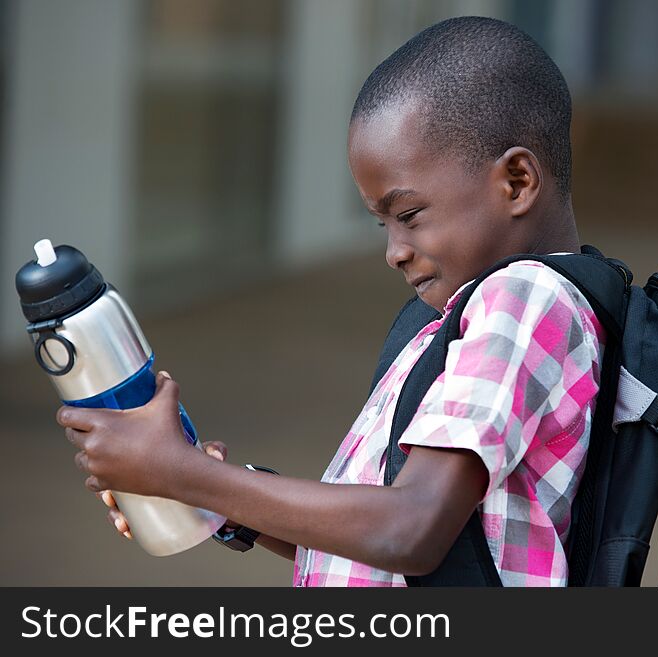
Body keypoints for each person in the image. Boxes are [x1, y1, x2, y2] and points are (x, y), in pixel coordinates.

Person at [57, 16, 605, 587]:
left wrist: (185, 474)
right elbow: (389, 545)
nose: (394, 251)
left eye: (410, 215)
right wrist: (218, 501)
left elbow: (409, 530)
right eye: (381, 224)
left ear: (516, 182)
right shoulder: (481, 313)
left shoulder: (523, 299)